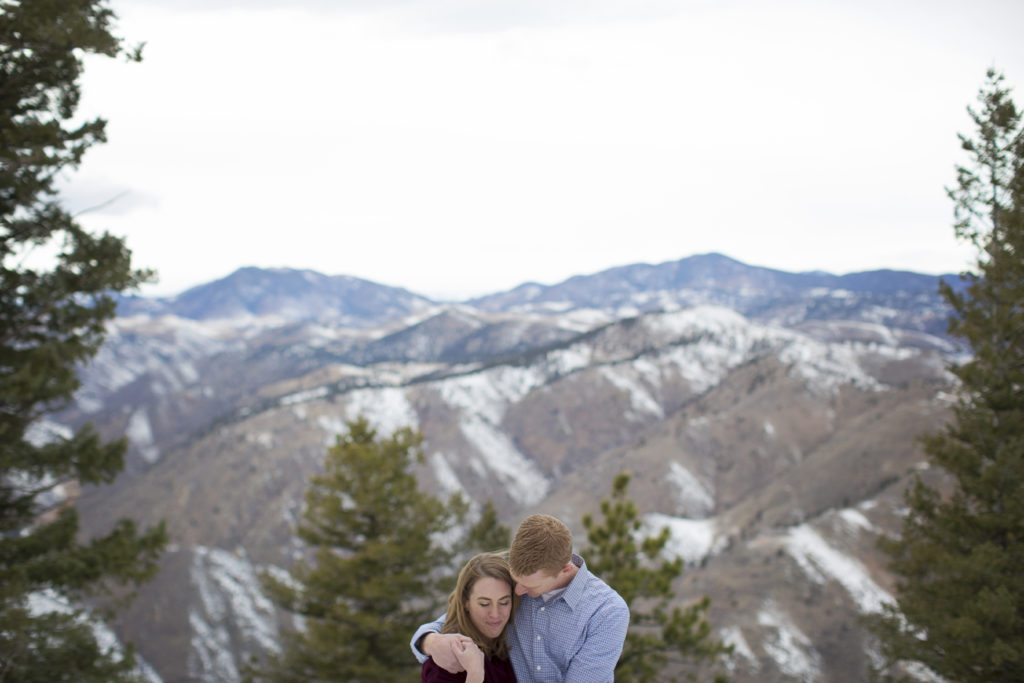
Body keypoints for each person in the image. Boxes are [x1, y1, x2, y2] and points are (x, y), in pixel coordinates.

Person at [413, 514, 629, 682]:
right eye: (516, 581)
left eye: (530, 586)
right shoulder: (520, 578)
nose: (517, 593)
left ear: (564, 569)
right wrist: (430, 642)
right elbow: (457, 620)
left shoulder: (606, 612)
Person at [421, 552, 518, 683]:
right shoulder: (449, 661)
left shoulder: (504, 650)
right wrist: (475, 673)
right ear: (466, 602)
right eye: (484, 604)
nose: (495, 614)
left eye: (504, 602)